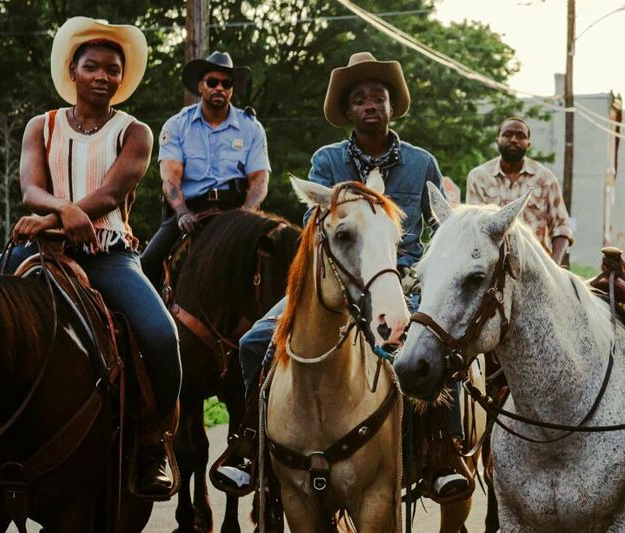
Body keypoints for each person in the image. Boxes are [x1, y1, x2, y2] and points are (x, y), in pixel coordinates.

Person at [215, 52, 469, 499]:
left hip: (400, 278)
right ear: (348, 111)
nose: (370, 105)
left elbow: (440, 226)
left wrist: (427, 274)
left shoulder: (421, 163)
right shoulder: (327, 161)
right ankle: (248, 443)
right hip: (336, 278)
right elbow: (313, 226)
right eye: (359, 99)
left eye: (378, 97)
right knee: (256, 341)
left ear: (392, 106)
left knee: (436, 347)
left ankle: (442, 451)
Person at [0, 17, 180, 498]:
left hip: (107, 255)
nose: (103, 76)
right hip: (38, 246)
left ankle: (153, 443)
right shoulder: (41, 126)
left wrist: (58, 218)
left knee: (162, 337)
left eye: (113, 70)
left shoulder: (136, 132)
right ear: (73, 71)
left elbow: (111, 194)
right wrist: (60, 214)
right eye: (92, 67)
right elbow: (30, 189)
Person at [139, 51, 270, 288]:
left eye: (226, 83)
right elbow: (170, 179)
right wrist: (182, 212)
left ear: (231, 90)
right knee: (146, 265)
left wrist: (246, 212)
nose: (219, 88)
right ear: (200, 86)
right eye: (212, 82)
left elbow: (259, 180)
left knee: (275, 260)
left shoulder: (251, 127)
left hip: (236, 210)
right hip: (190, 211)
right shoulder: (177, 125)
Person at [466, 117, 574, 263]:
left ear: (528, 143)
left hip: (536, 265)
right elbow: (474, 228)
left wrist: (554, 267)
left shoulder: (545, 178)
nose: (513, 140)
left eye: (520, 136)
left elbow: (561, 227)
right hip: (492, 265)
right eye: (507, 134)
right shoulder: (479, 177)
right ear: (497, 140)